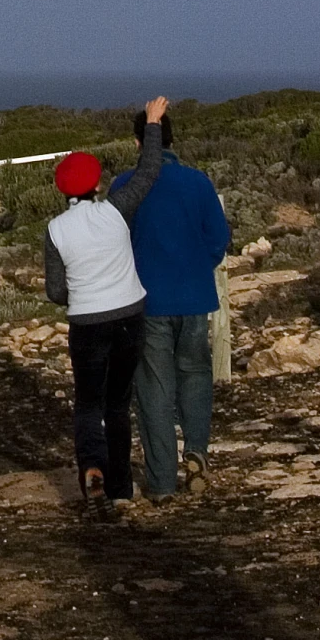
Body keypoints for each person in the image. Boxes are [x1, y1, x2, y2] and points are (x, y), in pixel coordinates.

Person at [44, 97, 168, 507]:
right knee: (118, 404)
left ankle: (91, 467)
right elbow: (148, 172)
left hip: (87, 323)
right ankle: (121, 489)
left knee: (87, 403)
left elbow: (55, 291)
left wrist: (77, 293)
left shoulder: (56, 230)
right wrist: (152, 124)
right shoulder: (116, 210)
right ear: (98, 185)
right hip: (130, 315)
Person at [110, 105, 232, 501]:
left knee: (154, 390)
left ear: (136, 143)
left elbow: (116, 243)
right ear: (173, 140)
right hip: (195, 297)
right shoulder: (198, 183)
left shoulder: (125, 186)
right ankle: (196, 449)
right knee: (195, 375)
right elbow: (218, 239)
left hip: (145, 301)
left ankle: (162, 482)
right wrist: (197, 267)